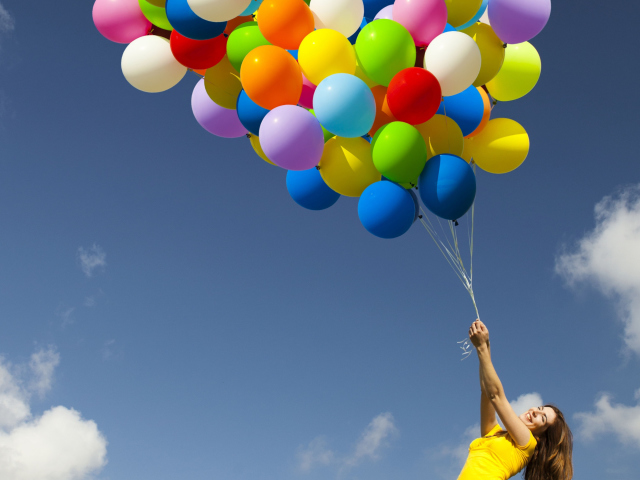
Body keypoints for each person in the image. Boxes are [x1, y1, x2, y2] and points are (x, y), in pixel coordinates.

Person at [457, 320, 573, 480]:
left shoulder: (527, 444)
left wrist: (482, 347)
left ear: (541, 437)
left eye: (542, 418)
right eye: (539, 409)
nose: (534, 412)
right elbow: (486, 391)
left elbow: (496, 396)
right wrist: (484, 346)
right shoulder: (493, 432)